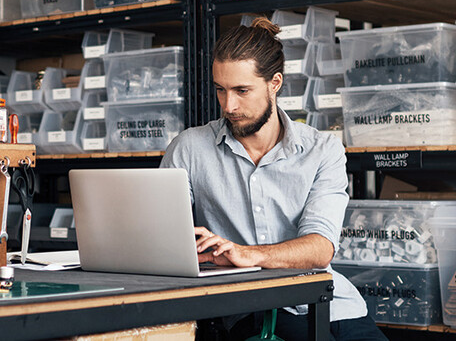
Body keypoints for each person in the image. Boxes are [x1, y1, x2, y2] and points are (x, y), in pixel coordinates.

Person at [160, 18, 387, 340]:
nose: (229, 105)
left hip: (333, 302)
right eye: (220, 90)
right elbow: (163, 240)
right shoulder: (190, 148)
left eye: (242, 90)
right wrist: (193, 250)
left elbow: (320, 248)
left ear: (275, 83)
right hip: (250, 308)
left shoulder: (322, 150)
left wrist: (249, 254)